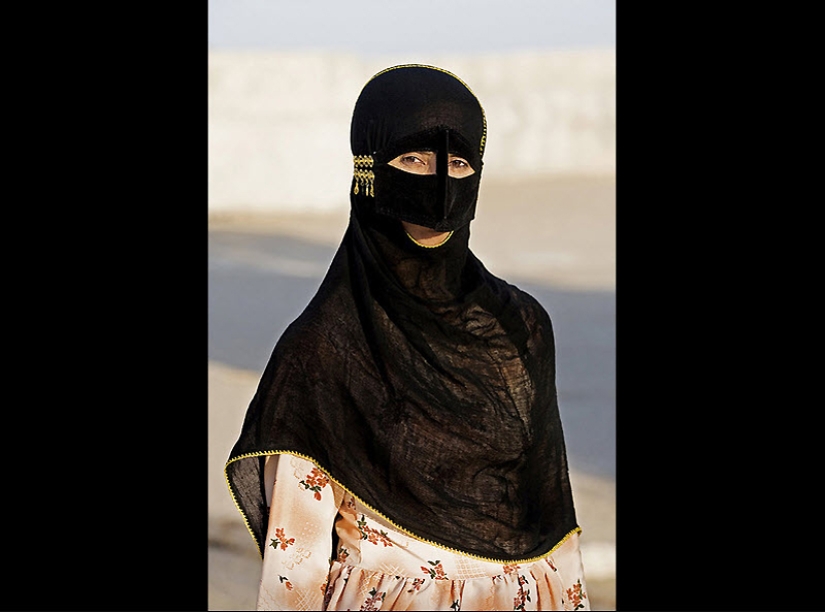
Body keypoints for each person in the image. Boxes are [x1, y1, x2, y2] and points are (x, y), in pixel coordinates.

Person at [225, 64, 589, 611]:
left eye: (459, 161)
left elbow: (550, 519)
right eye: (412, 159)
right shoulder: (322, 349)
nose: (439, 186)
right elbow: (293, 562)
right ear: (367, 170)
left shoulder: (521, 327)